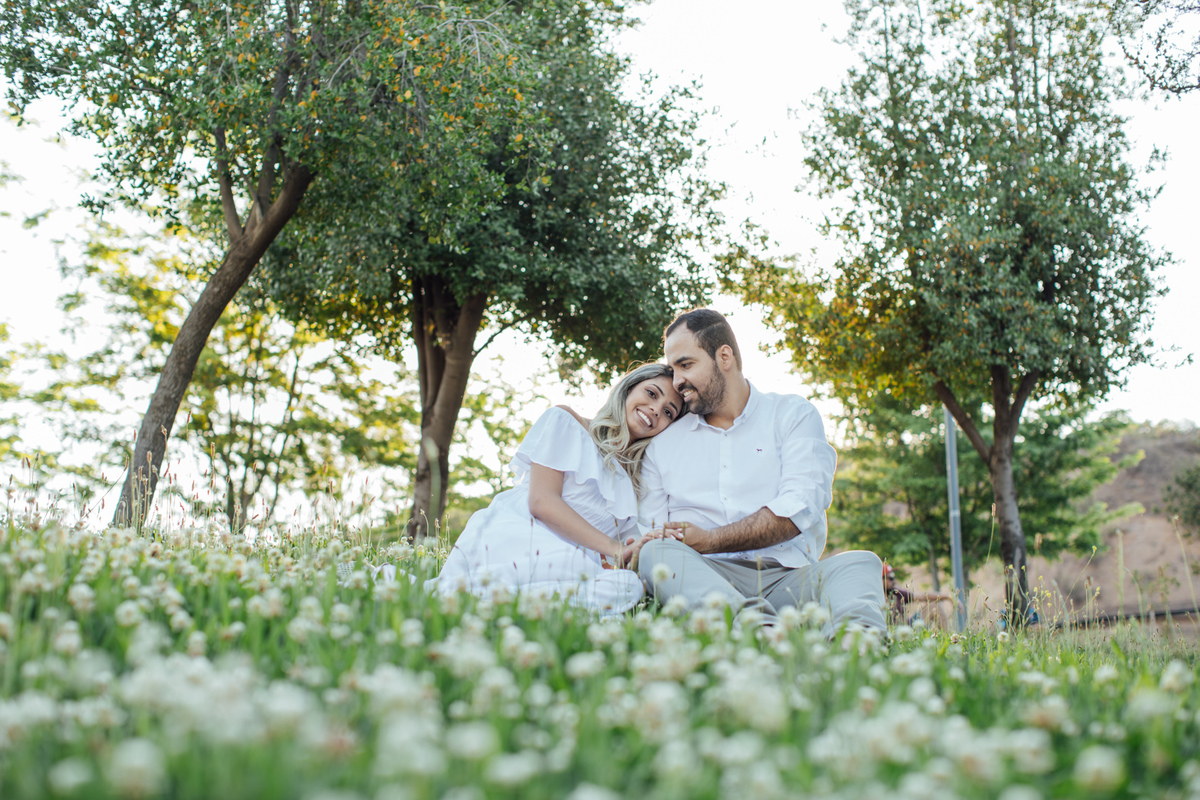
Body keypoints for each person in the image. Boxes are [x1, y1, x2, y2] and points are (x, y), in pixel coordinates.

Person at [637, 309, 888, 634]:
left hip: (790, 578)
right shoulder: (664, 445)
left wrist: (711, 539)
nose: (676, 381)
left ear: (723, 356)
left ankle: (855, 650)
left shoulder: (792, 415)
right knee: (655, 554)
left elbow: (799, 510)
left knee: (859, 563)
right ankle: (762, 633)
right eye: (672, 369)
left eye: (685, 365)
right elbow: (652, 531)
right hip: (705, 581)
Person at [430, 363, 686, 614]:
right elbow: (542, 502)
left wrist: (636, 550)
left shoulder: (638, 481)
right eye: (651, 394)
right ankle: (475, 594)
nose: (655, 409)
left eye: (668, 413)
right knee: (575, 566)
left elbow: (625, 550)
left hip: (577, 563)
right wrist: (615, 549)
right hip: (520, 534)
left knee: (628, 586)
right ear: (628, 388)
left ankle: (514, 605)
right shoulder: (567, 422)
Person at [884, 563, 951, 626]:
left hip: (908, 626)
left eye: (894, 577)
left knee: (934, 606)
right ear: (880, 579)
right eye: (891, 577)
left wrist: (949, 596)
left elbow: (923, 596)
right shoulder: (877, 598)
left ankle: (950, 637)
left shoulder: (896, 592)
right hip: (894, 632)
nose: (894, 580)